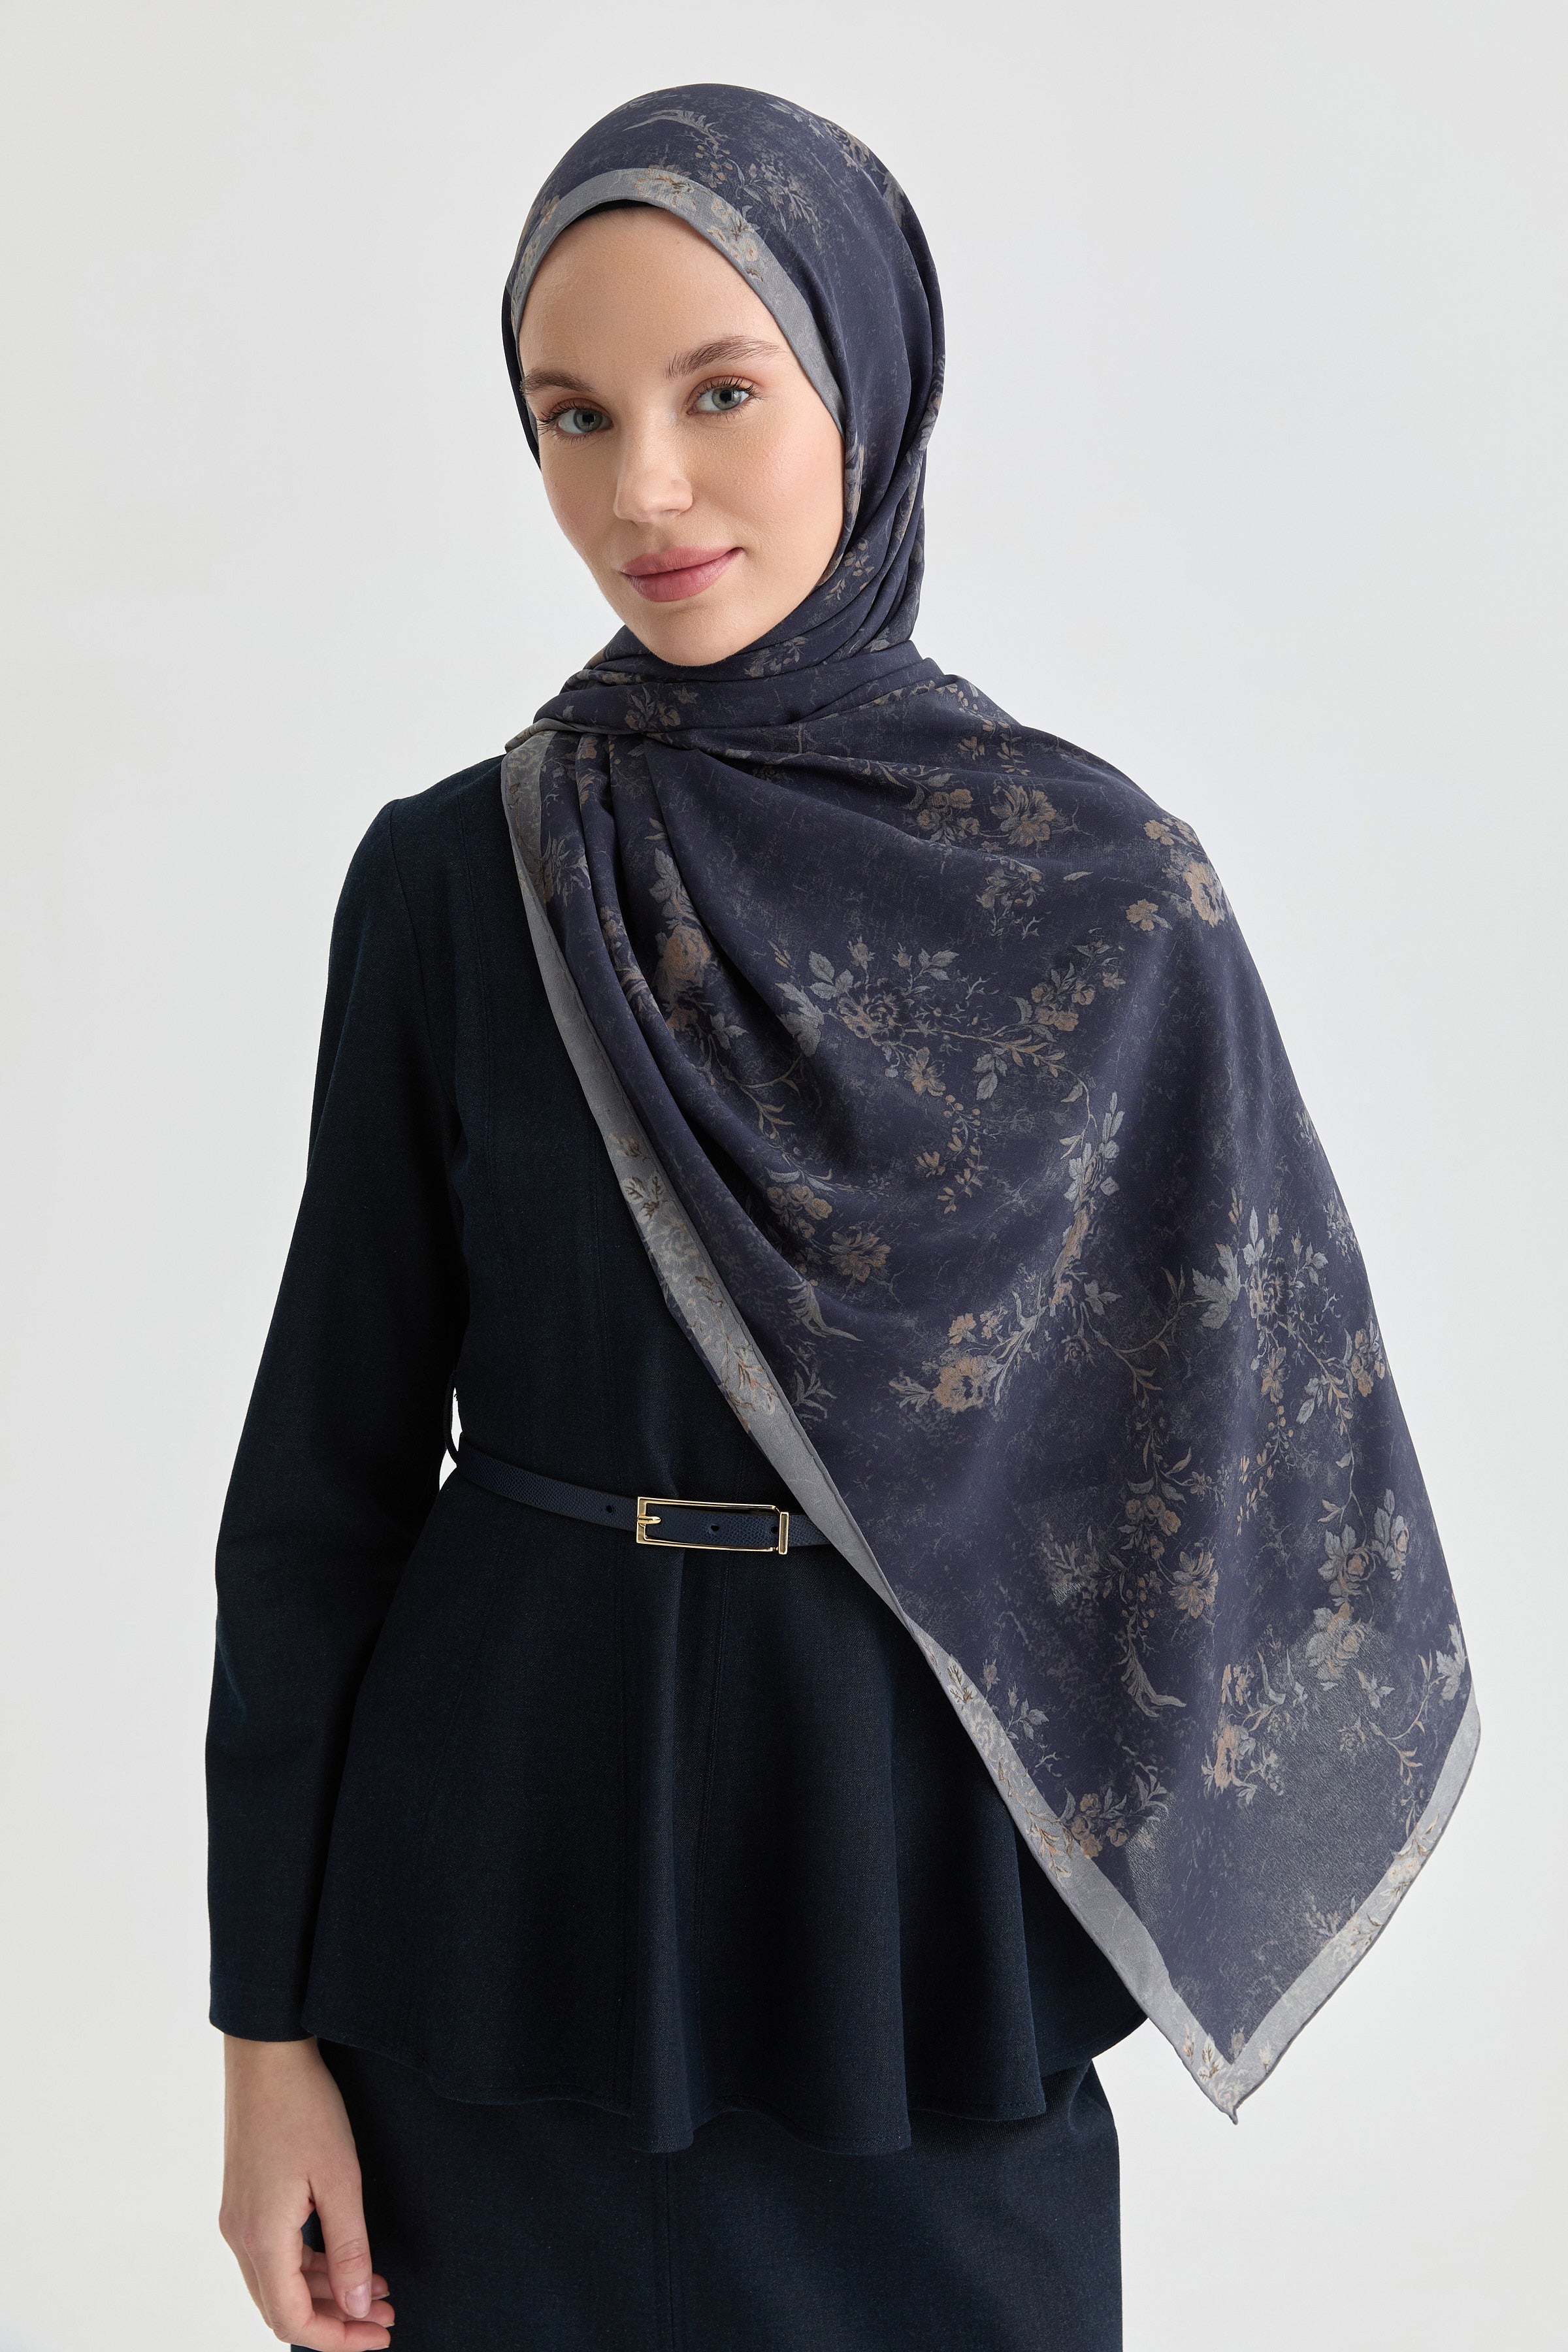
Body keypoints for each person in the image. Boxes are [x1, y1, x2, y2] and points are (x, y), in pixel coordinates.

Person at [210, 84, 1475, 2352]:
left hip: (912, 1932)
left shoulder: (1099, 903)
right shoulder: (457, 882)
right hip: (490, 1910)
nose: (643, 492)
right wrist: (262, 2039)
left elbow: (1241, 1456)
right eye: (573, 417)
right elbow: (321, 1489)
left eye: (721, 393)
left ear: (866, 394)